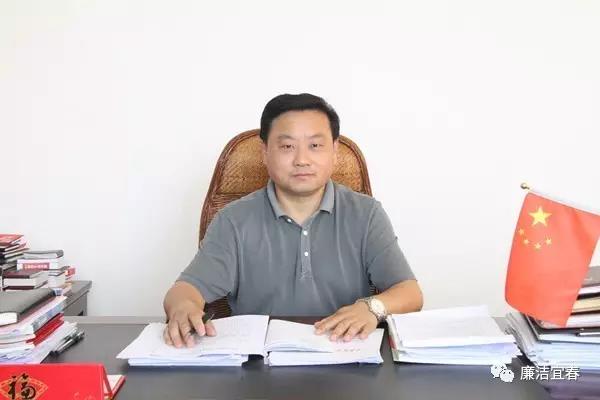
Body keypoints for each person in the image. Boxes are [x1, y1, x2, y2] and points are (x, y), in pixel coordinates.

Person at [163, 93, 423, 348]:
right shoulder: (233, 220)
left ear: (334, 152)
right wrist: (184, 307)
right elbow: (185, 290)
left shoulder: (366, 214)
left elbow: (410, 292)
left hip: (345, 352)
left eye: (315, 146)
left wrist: (372, 307)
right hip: (260, 362)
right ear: (265, 153)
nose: (301, 160)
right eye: (287, 146)